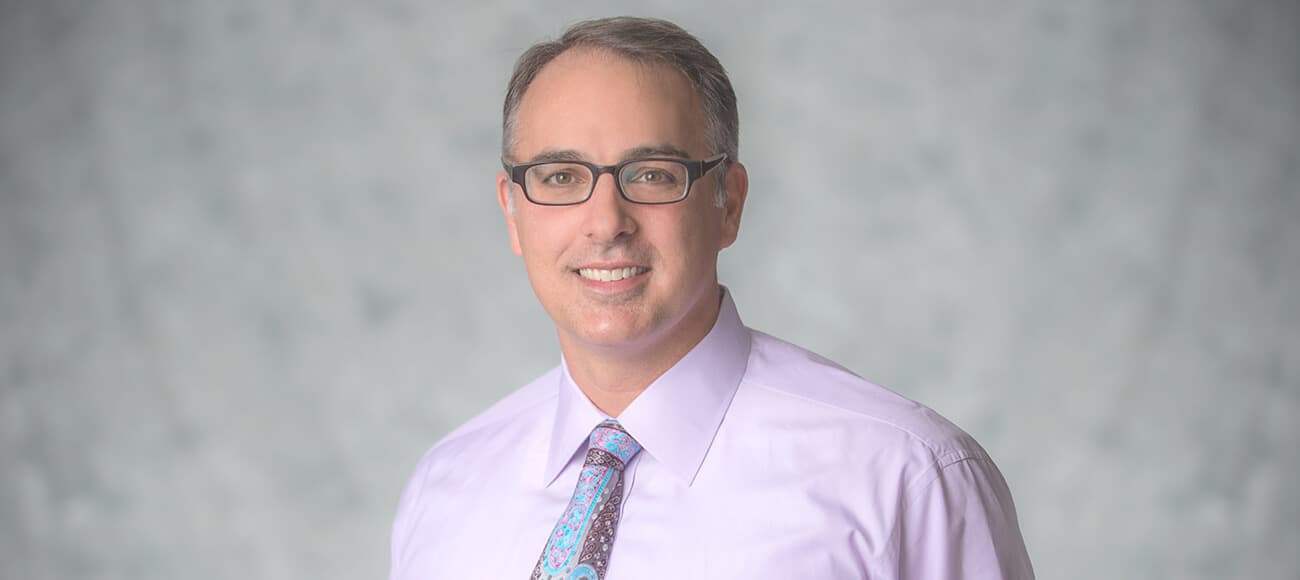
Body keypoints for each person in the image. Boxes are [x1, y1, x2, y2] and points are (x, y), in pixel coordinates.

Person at [389, 16, 1034, 579]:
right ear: (512, 211)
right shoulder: (445, 490)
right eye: (560, 177)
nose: (606, 222)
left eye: (652, 174)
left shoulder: (904, 478)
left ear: (729, 203)